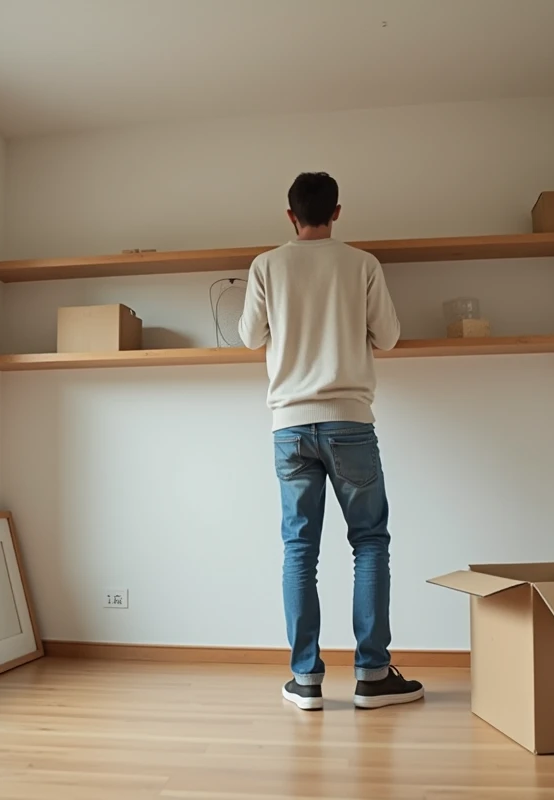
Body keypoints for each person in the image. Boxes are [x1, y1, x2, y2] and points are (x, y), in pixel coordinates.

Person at [238, 172, 424, 711]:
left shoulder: (266, 265)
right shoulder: (361, 264)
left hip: (290, 426)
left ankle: (306, 680)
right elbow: (388, 336)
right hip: (349, 422)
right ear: (337, 212)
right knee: (369, 542)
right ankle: (373, 676)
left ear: (290, 215)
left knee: (300, 549)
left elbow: (250, 336)